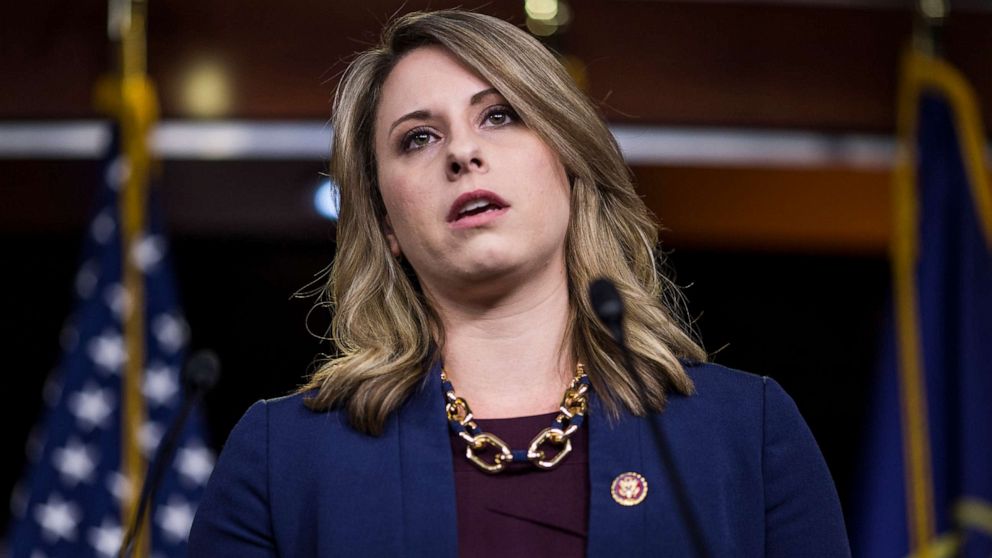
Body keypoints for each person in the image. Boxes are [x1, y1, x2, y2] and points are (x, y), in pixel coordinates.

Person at [188, 9, 850, 557]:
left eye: (499, 115)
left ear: (569, 161)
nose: (461, 152)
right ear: (385, 220)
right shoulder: (285, 457)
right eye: (417, 138)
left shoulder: (744, 431)